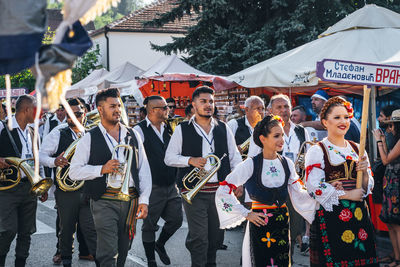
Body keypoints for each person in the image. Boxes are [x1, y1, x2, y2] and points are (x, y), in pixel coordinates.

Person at [215, 115, 315, 266]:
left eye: (282, 135)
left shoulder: (287, 163)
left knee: (281, 261)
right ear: (263, 139)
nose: (282, 139)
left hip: (281, 222)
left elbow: (299, 193)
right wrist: (246, 213)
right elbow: (223, 189)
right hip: (259, 222)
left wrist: (321, 200)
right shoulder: (250, 164)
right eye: (276, 136)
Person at [69, 88, 152, 267]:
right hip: (104, 200)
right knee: (108, 252)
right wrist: (101, 169)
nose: (117, 110)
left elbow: (144, 169)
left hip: (130, 201)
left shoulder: (133, 134)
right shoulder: (88, 138)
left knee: (123, 250)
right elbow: (73, 171)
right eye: (112, 106)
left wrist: (144, 200)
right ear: (100, 109)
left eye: (119, 106)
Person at [164, 86, 242, 267]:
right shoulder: (183, 129)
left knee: (215, 237)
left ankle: (209, 261)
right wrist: (190, 160)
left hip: (220, 191)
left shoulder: (223, 128)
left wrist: (238, 182)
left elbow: (235, 157)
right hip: (195, 193)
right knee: (200, 238)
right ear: (193, 105)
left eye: (211, 102)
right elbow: (169, 158)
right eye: (203, 101)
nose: (208, 105)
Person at [305, 96, 377, 266]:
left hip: (359, 217)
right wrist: (347, 194)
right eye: (337, 117)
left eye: (346, 117)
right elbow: (313, 187)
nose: (343, 121)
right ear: (324, 122)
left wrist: (364, 174)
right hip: (332, 219)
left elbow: (367, 186)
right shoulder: (317, 150)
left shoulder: (357, 149)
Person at [248, 94, 311, 254]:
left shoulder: (302, 131)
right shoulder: (263, 130)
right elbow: (252, 161)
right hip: (270, 190)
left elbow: (310, 160)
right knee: (269, 234)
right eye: (279, 107)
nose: (283, 110)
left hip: (294, 189)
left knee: (293, 231)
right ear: (270, 110)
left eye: (286, 106)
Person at [39, 98, 97, 267]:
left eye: (78, 114)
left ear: (84, 113)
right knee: (66, 228)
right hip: (67, 190)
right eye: (71, 115)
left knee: (90, 227)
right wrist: (54, 162)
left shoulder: (91, 133)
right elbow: (42, 155)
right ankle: (66, 259)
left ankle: (98, 258)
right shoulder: (58, 132)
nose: (75, 118)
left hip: (87, 188)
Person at [134, 96, 183, 267]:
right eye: (164, 107)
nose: (168, 110)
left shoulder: (171, 128)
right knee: (149, 226)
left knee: (176, 219)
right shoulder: (139, 130)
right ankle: (151, 260)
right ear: (153, 110)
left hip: (171, 184)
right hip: (152, 186)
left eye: (168, 107)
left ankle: (160, 244)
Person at [0, 95, 47, 267]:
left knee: (27, 231)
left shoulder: (33, 131)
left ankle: (21, 263)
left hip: (29, 187)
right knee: (7, 230)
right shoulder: (1, 126)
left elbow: (37, 159)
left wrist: (41, 184)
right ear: (26, 110)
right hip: (7, 188)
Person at [373, 109, 400, 267]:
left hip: (396, 185)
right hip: (391, 184)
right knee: (390, 222)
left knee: (396, 223)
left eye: (391, 126)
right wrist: (382, 141)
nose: (389, 129)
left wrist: (378, 141)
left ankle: (398, 259)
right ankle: (396, 257)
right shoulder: (396, 140)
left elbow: (385, 160)